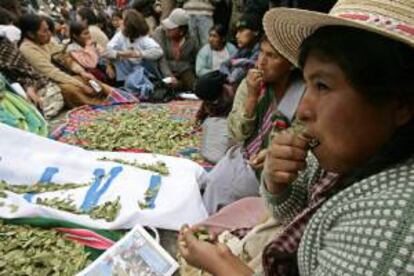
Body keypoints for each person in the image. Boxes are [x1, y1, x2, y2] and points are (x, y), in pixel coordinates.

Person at [179, 0, 414, 275]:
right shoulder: (346, 153)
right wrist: (278, 183)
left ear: (401, 105)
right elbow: (287, 210)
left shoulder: (393, 223)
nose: (303, 110)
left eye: (323, 86)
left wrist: (222, 267)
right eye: (310, 83)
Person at [200, 35, 304, 214]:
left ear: (291, 63)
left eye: (272, 56)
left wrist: (272, 154)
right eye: (261, 53)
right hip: (243, 155)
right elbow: (237, 134)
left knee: (226, 197)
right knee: (212, 185)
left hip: (272, 174)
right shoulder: (251, 85)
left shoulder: (304, 95)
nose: (261, 62)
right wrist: (252, 97)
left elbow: (304, 139)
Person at [19, 14, 112, 108]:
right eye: (45, 31)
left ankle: (113, 96)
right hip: (47, 83)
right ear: (30, 34)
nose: (49, 34)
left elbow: (65, 58)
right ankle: (100, 105)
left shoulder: (44, 41)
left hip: (60, 76)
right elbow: (51, 72)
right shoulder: (27, 48)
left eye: (48, 29)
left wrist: (82, 72)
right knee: (71, 90)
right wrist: (80, 85)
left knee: (89, 78)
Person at [0, 36, 64, 119]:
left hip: (22, 86)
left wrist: (28, 85)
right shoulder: (26, 47)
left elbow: (24, 70)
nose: (48, 34)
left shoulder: (4, 46)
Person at [106, 9, 163, 94]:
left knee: (148, 60)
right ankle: (124, 84)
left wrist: (138, 54)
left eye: (123, 21)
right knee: (116, 58)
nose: (121, 23)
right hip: (127, 68)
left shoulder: (143, 38)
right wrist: (121, 54)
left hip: (143, 69)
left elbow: (158, 51)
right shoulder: (120, 35)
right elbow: (108, 50)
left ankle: (143, 84)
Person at [153, 8, 198, 92]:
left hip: (183, 70)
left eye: (172, 28)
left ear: (181, 31)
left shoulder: (191, 39)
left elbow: (193, 60)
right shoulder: (159, 33)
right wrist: (170, 76)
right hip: (162, 70)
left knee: (194, 85)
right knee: (169, 85)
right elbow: (161, 59)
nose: (167, 28)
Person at [219, 12, 262, 89]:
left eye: (241, 31)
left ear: (255, 31)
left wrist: (241, 62)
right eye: (237, 32)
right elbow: (224, 65)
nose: (237, 36)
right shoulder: (243, 50)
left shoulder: (262, 49)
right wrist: (228, 77)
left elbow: (243, 70)